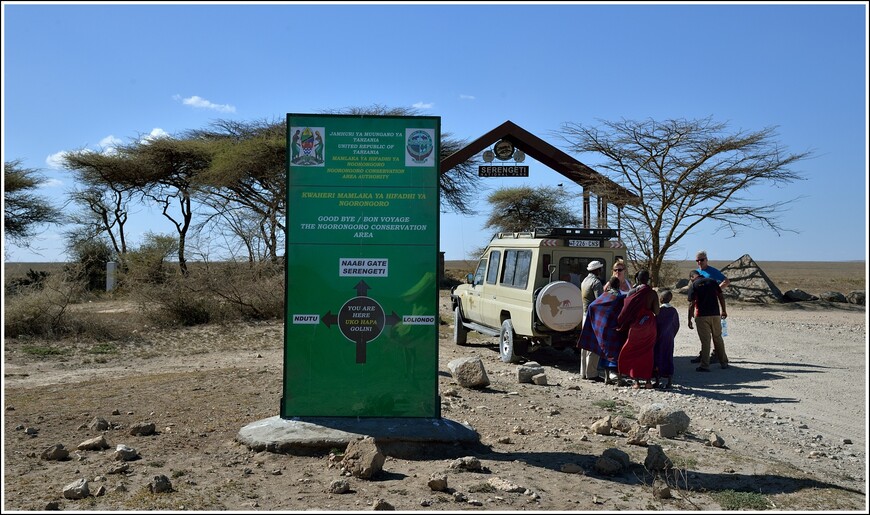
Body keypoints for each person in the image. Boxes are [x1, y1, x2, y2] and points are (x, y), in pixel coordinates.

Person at [577, 277, 627, 385]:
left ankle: (589, 374)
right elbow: (623, 313)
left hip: (599, 324)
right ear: (618, 285)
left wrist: (596, 319)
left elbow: (593, 305)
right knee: (612, 352)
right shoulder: (619, 297)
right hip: (613, 329)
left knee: (592, 349)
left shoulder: (604, 294)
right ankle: (615, 378)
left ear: (609, 285)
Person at [616, 270, 660, 389]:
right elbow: (656, 311)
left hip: (636, 325)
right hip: (650, 325)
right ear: (648, 280)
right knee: (648, 352)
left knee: (633, 351)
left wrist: (620, 322)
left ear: (637, 279)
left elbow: (625, 310)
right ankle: (648, 381)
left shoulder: (632, 292)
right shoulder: (652, 293)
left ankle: (635, 382)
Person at [691, 250, 730, 363]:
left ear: (706, 259)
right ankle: (704, 355)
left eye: (702, 260)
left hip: (712, 307)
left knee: (716, 335)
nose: (699, 262)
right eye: (697, 260)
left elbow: (726, 281)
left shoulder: (712, 271)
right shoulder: (696, 273)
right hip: (700, 308)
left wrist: (715, 290)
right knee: (704, 335)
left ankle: (716, 355)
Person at [687, 269, 729, 372]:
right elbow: (721, 297)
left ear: (692, 277)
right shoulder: (712, 281)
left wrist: (689, 319)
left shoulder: (694, 285)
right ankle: (724, 362)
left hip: (701, 316)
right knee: (718, 338)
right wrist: (723, 310)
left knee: (706, 341)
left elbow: (691, 304)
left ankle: (705, 365)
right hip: (715, 314)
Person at [578, 260, 604, 381]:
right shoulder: (596, 282)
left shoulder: (585, 281)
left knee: (585, 345)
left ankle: (583, 372)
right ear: (597, 270)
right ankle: (592, 373)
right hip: (593, 317)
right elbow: (600, 301)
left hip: (584, 315)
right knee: (594, 345)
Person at [653, 289, 680, 389]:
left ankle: (657, 380)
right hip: (669, 338)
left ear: (661, 299)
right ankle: (669, 381)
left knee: (657, 357)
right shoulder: (673, 311)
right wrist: (672, 335)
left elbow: (655, 324)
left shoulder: (659, 311)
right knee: (668, 357)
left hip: (658, 338)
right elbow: (677, 325)